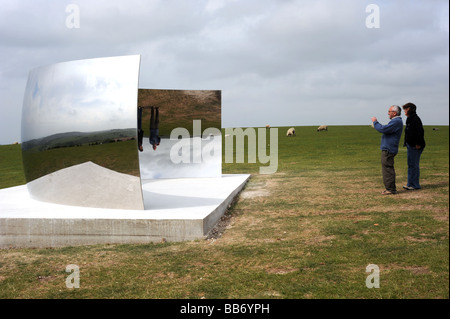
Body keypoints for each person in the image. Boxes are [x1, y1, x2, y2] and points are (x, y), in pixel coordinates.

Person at [371, 105, 404, 195]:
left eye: (389, 111)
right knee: (387, 168)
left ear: (394, 113)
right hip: (389, 148)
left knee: (387, 169)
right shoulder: (396, 121)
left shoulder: (396, 121)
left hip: (389, 149)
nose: (388, 113)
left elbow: (383, 129)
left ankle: (390, 189)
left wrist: (375, 122)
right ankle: (390, 188)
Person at [402, 102, 425, 190]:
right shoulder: (409, 119)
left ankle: (414, 185)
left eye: (405, 109)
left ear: (409, 109)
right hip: (410, 145)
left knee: (414, 165)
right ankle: (410, 184)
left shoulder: (415, 119)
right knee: (411, 165)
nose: (404, 110)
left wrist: (418, 144)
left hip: (415, 146)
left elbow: (420, 132)